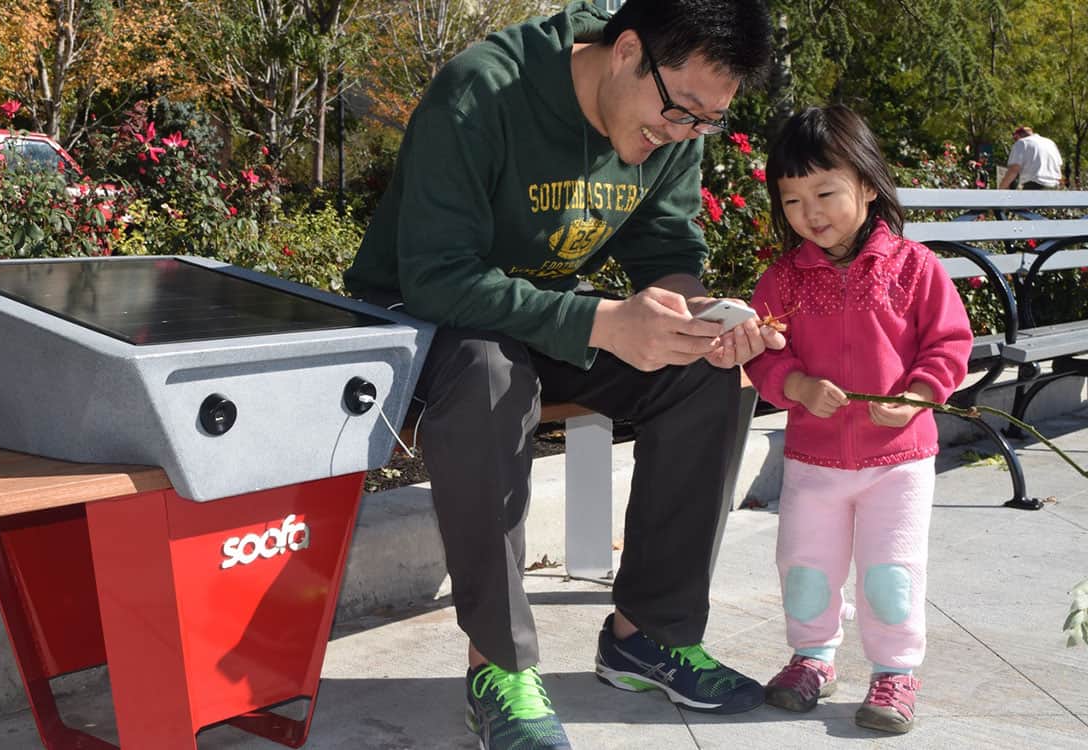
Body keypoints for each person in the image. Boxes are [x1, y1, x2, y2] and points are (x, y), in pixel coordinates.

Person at [344, 1, 780, 746]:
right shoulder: (482, 91)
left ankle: (649, 635)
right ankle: (500, 664)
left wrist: (703, 319)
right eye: (679, 111)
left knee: (705, 375)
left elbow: (665, 246)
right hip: (419, 318)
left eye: (707, 121)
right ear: (626, 51)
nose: (682, 133)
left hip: (538, 316)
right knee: (490, 372)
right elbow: (436, 276)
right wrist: (601, 322)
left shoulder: (676, 117)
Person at [743, 105, 974, 735]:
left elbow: (949, 344)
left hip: (898, 463)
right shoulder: (782, 281)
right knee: (804, 566)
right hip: (813, 462)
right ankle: (812, 657)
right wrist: (792, 383)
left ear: (868, 186)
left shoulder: (914, 268)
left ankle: (895, 669)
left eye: (824, 192)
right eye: (792, 201)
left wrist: (919, 394)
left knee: (890, 573)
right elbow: (767, 353)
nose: (809, 213)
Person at [998, 126, 1063, 189]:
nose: (1015, 141)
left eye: (1015, 139)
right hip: (1054, 186)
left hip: (1034, 186)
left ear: (1018, 136)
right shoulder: (1050, 143)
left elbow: (1014, 169)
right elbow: (1059, 167)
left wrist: (1001, 189)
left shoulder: (1022, 143)